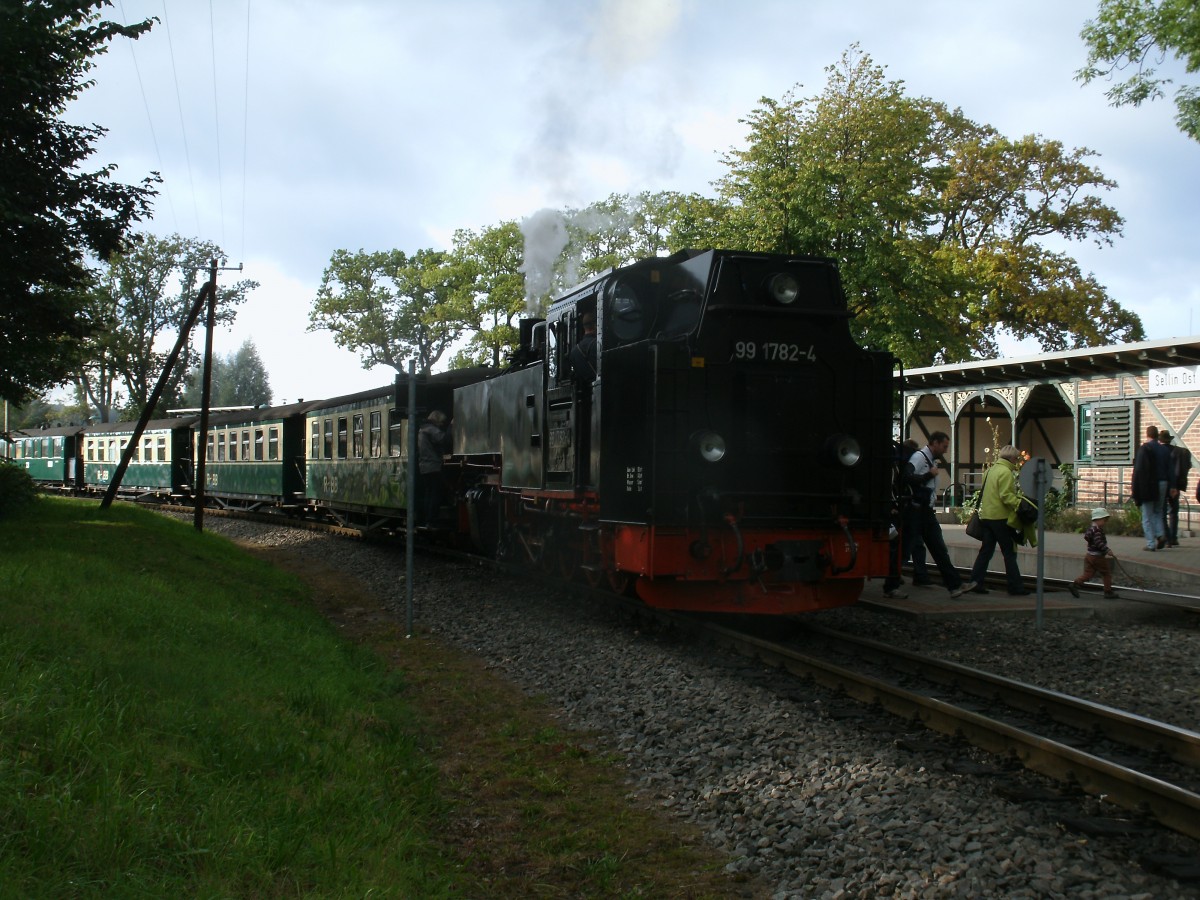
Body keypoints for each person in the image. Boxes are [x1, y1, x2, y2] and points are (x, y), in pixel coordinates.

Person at [908, 431, 975, 599]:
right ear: (935, 443)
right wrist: (928, 475)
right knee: (907, 548)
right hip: (915, 510)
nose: (946, 450)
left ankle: (955, 585)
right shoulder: (919, 457)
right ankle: (891, 585)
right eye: (944, 446)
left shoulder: (929, 459)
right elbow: (907, 477)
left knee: (938, 548)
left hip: (925, 511)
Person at [967, 444, 1031, 596]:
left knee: (986, 551)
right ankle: (1015, 587)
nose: (1017, 461)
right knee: (1009, 553)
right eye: (1016, 458)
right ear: (1010, 458)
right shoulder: (1006, 472)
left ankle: (976, 582)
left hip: (987, 517)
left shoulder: (990, 470)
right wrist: (1020, 505)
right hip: (1001, 518)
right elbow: (1006, 496)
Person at [1068, 508, 1119, 599]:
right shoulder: (1097, 531)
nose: (1105, 522)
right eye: (1104, 520)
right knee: (1106, 573)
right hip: (1097, 557)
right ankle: (1108, 592)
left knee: (1088, 573)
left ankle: (1075, 584)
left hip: (1089, 555)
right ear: (1098, 519)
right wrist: (1107, 550)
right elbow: (1098, 542)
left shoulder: (1091, 529)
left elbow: (1087, 538)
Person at [1131, 425, 1167, 551]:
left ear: (1147, 435)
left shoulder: (1145, 449)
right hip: (1162, 484)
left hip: (1148, 486)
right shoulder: (1162, 449)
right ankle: (1161, 534)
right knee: (1158, 512)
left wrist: (1135, 491)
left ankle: (1151, 543)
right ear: (1157, 435)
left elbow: (1139, 471)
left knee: (1147, 515)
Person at [415, 410, 450, 528]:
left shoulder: (422, 429)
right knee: (435, 493)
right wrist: (451, 427)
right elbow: (444, 439)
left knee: (428, 493)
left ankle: (427, 519)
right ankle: (432, 520)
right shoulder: (431, 429)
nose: (442, 425)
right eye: (442, 422)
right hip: (433, 466)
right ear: (437, 420)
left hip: (424, 466)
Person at [1160, 430, 1192, 547]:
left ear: (1160, 440)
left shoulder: (1160, 452)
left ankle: (1167, 537)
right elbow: (1187, 466)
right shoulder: (1179, 451)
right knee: (1174, 512)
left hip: (1163, 485)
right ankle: (1173, 537)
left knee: (1162, 513)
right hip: (1176, 486)